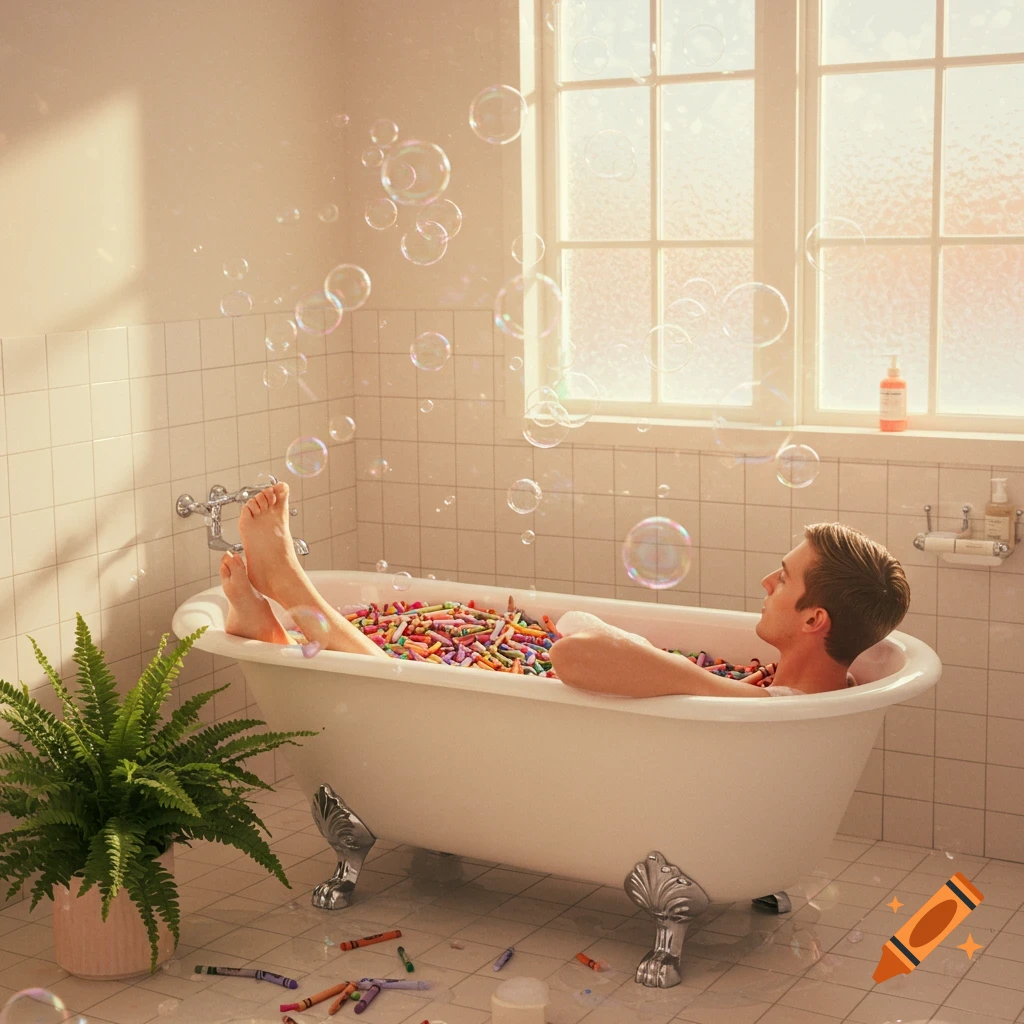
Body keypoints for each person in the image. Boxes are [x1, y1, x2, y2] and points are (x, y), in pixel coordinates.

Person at [549, 522, 911, 698]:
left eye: (783, 579)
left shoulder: (760, 708)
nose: (766, 582)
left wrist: (711, 685)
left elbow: (569, 654)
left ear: (814, 619)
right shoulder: (839, 688)